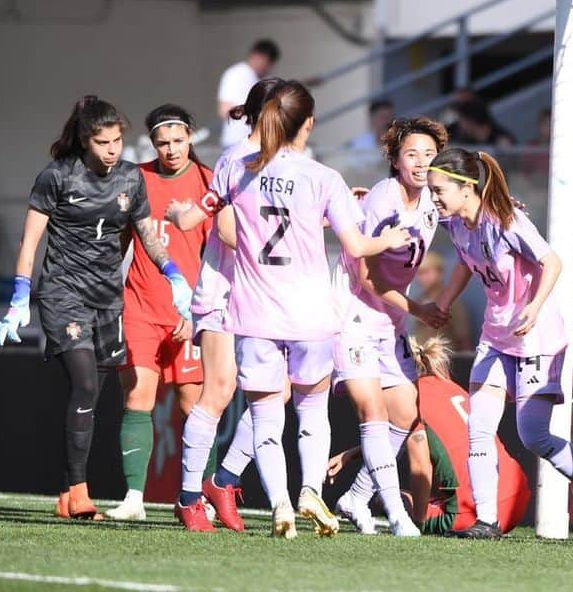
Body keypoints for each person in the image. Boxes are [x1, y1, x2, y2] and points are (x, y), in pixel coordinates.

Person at [168, 80, 411, 538]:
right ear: (304, 122)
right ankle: (217, 495)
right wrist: (336, 223)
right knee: (272, 400)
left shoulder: (237, 168)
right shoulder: (306, 174)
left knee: (267, 405)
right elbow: (350, 244)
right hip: (270, 301)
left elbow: (216, 221)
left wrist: (177, 214)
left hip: (258, 305)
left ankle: (250, 491)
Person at [0, 95, 192, 520]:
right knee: (83, 386)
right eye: (104, 142)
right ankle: (80, 494)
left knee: (93, 397)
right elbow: (31, 241)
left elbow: (145, 236)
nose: (113, 149)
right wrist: (19, 297)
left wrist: (173, 273)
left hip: (107, 299)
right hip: (64, 295)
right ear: (86, 140)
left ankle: (68, 493)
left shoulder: (131, 179)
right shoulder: (57, 177)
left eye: (118, 140)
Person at [426, 147, 573, 540]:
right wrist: (443, 302)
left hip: (536, 336)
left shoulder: (507, 220)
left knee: (535, 437)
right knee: (479, 427)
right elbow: (466, 261)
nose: (434, 198)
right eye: (431, 190)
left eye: (439, 189)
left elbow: (553, 262)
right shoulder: (455, 223)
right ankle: (487, 521)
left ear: (466, 188)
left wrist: (534, 306)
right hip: (496, 336)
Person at [172, 78, 286, 533]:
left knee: (276, 394)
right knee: (218, 389)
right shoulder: (234, 160)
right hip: (225, 290)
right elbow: (224, 230)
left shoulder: (290, 164)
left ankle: (224, 479)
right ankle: (188, 497)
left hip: (268, 295)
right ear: (265, 114)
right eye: (285, 111)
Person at [331, 116, 452, 537]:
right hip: (353, 315)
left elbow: (466, 214)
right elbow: (366, 276)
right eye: (412, 154)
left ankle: (356, 496)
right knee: (374, 412)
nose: (421, 163)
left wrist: (497, 213)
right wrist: (418, 307)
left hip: (391, 319)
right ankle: (397, 516)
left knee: (405, 411)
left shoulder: (434, 201)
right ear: (395, 160)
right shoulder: (384, 198)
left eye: (429, 155)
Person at [106, 105, 212, 522]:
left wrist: (200, 312)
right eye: (162, 143)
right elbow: (116, 239)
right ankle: (134, 498)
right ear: (152, 144)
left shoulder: (207, 183)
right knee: (138, 398)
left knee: (197, 408)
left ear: (191, 138)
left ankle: (200, 499)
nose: (170, 150)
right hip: (141, 305)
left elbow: (215, 255)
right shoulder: (136, 178)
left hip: (190, 312)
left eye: (178, 141)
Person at [326, 337, 530, 535]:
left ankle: (389, 507)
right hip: (516, 499)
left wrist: (416, 521)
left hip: (472, 512)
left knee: (390, 498)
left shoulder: (410, 399)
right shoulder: (451, 387)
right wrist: (351, 454)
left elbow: (421, 467)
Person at [217, 39, 280, 148]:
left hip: (258, 144)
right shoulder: (235, 74)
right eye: (266, 63)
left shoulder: (263, 80)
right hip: (236, 143)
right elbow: (224, 110)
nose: (267, 68)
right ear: (256, 56)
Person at [411, 251, 473, 355]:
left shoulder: (452, 302)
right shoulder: (418, 301)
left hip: (443, 362)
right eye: (419, 273)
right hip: (421, 363)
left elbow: (464, 339)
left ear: (439, 272)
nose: (421, 278)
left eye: (426, 272)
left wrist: (466, 367)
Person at [446, 99, 516, 148]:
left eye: (463, 120)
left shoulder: (502, 140)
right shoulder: (462, 139)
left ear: (472, 121)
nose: (460, 125)